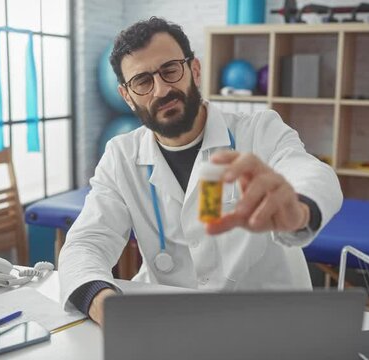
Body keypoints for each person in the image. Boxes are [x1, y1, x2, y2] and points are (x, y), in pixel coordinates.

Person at [59, 17, 342, 326]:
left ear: (194, 69)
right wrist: (104, 304)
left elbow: (310, 171)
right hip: (172, 324)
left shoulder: (259, 131)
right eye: (142, 81)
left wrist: (300, 207)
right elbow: (87, 243)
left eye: (170, 70)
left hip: (268, 321)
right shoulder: (121, 156)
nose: (161, 89)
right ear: (127, 96)